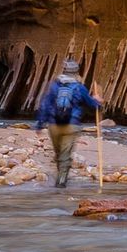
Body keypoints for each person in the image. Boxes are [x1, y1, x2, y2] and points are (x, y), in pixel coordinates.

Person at [33, 57, 101, 189]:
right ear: (76, 72)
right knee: (65, 155)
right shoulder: (79, 87)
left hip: (53, 125)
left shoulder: (54, 86)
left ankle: (59, 179)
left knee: (59, 154)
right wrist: (98, 101)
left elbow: (45, 105)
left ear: (63, 71)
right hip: (71, 125)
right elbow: (92, 105)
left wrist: (40, 124)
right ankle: (61, 182)